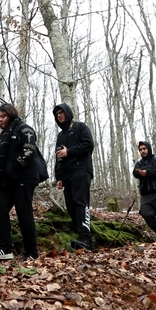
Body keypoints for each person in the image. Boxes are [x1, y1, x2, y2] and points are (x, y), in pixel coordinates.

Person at [0, 104, 43, 261]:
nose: (1, 120)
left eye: (3, 116)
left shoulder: (24, 129)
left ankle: (31, 252)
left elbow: (29, 148)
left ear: (11, 114)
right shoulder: (4, 135)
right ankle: (5, 249)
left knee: (24, 212)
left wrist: (16, 165)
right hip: (7, 179)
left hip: (24, 177)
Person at [53, 103, 95, 250]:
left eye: (61, 112)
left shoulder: (80, 127)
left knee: (80, 203)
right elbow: (58, 156)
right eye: (57, 113)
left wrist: (69, 152)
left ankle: (86, 238)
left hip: (81, 170)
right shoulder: (60, 135)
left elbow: (89, 145)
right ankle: (81, 236)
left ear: (68, 113)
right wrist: (58, 177)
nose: (59, 115)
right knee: (70, 206)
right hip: (67, 175)